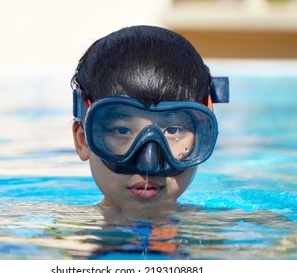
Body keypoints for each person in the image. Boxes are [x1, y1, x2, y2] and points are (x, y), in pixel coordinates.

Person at [71, 25, 229, 221]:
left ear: (201, 138)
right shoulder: (62, 240)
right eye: (122, 130)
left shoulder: (230, 232)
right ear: (83, 140)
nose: (149, 164)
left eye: (173, 130)